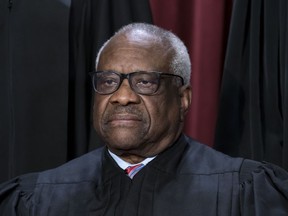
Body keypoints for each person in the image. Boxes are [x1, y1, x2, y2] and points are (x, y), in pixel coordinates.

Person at [0, 23, 288, 216]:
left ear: (183, 99)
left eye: (145, 82)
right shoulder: (37, 200)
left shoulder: (243, 194)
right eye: (108, 80)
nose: (122, 96)